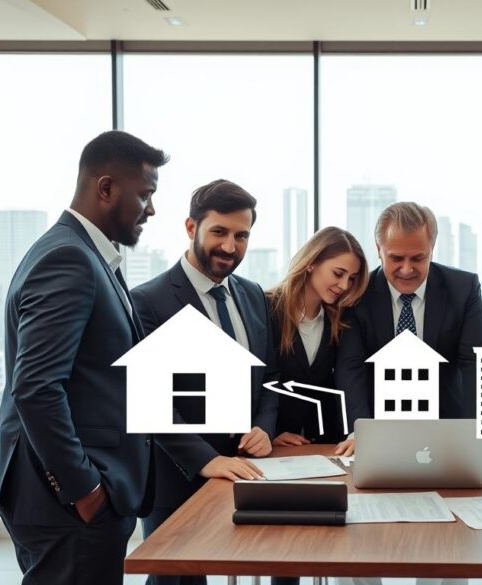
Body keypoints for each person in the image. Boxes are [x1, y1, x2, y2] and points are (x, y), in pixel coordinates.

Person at [0, 130, 167, 585]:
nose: (152, 209)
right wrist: (85, 489)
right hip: (68, 501)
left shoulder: (87, 255)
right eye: (145, 194)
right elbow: (36, 388)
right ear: (105, 188)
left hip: (78, 495)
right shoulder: (69, 258)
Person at [131, 179, 279, 585]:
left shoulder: (253, 296)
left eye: (241, 235)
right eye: (219, 232)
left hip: (248, 470)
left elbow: (269, 376)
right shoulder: (148, 301)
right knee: (176, 580)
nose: (231, 246)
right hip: (178, 476)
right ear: (191, 228)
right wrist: (206, 460)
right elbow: (150, 399)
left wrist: (264, 428)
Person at [334, 202, 482, 455]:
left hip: (446, 435)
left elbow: (474, 364)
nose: (407, 269)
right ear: (379, 250)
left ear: (432, 250)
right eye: (396, 258)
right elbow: (351, 368)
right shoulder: (358, 295)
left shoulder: (464, 289)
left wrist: (474, 435)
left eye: (418, 258)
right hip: (379, 434)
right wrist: (359, 430)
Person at [268, 227, 370, 448]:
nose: (344, 286)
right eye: (338, 273)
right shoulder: (266, 308)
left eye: (352, 278)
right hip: (274, 447)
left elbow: (347, 377)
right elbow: (255, 381)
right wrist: (269, 432)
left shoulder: (340, 320)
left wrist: (354, 434)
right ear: (312, 262)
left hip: (325, 444)